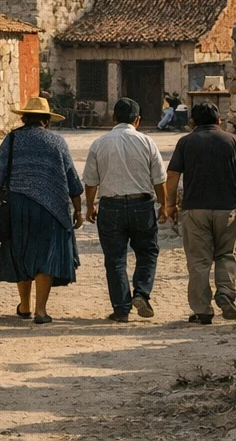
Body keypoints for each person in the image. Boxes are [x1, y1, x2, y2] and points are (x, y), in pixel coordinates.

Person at [0, 96, 84, 325]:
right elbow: (72, 180)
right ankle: (41, 310)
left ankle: (25, 305)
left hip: (18, 207)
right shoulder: (57, 142)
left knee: (21, 254)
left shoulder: (11, 139)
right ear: (46, 120)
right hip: (51, 209)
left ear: (24, 117)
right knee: (45, 257)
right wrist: (78, 211)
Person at [164, 101, 236, 324]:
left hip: (195, 210)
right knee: (225, 255)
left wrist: (170, 205)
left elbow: (173, 176)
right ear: (219, 120)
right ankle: (225, 293)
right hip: (227, 209)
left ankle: (202, 310)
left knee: (198, 261)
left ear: (192, 122)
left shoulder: (185, 142)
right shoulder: (233, 141)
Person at [82, 98, 167, 322]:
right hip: (142, 205)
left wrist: (90, 206)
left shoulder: (99, 143)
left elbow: (91, 181)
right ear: (138, 120)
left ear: (113, 118)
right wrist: (164, 205)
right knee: (147, 252)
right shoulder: (147, 142)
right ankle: (141, 293)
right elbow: (159, 179)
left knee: (115, 259)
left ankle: (121, 308)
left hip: (110, 206)